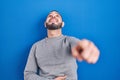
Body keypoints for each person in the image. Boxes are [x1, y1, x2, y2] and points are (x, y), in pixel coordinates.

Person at [24, 10, 100, 80]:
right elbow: (28, 74)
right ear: (45, 24)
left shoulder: (70, 40)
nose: (53, 17)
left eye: (57, 16)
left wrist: (84, 48)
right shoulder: (36, 46)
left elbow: (78, 46)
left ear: (62, 24)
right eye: (50, 16)